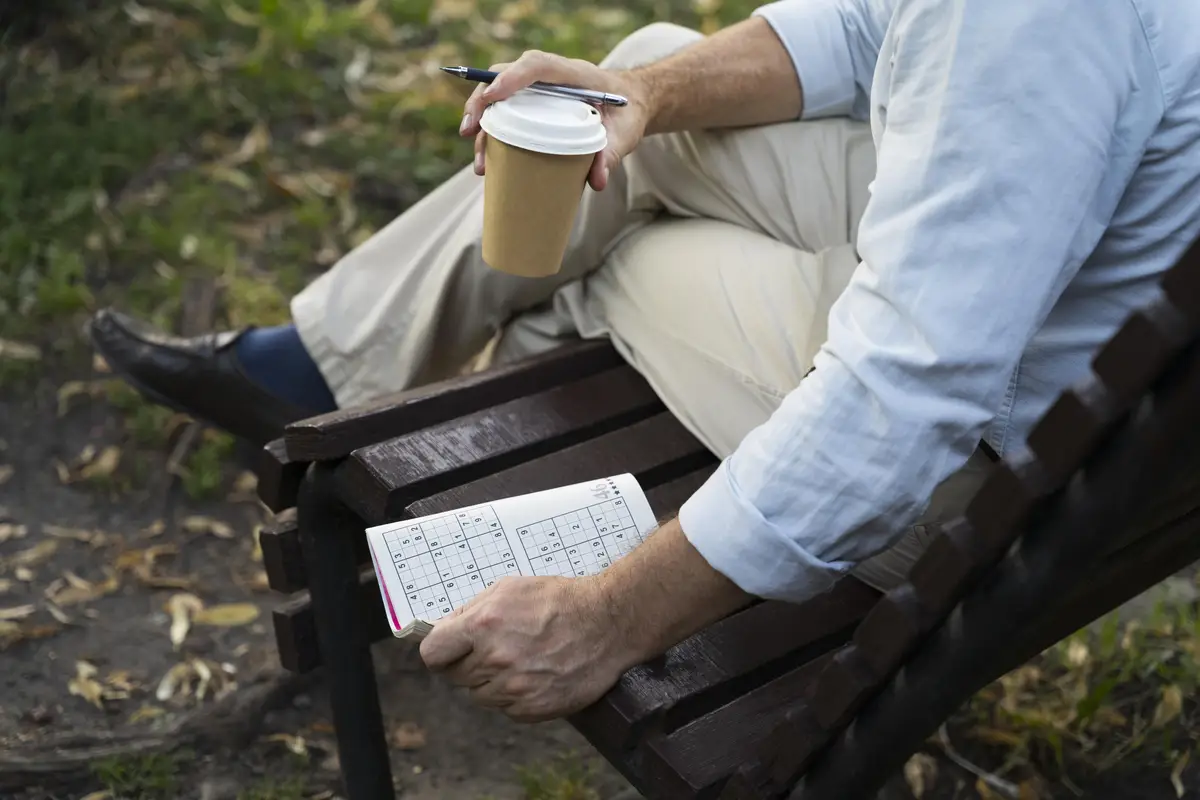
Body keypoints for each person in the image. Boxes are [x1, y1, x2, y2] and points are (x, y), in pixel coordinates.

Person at [93, 0, 1200, 722]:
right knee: (634, 78)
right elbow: (870, 33)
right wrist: (649, 103)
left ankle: (468, 520)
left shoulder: (1033, 19)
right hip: (1062, 302)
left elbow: (909, 392)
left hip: (986, 462)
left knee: (616, 248)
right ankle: (334, 372)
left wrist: (606, 620)